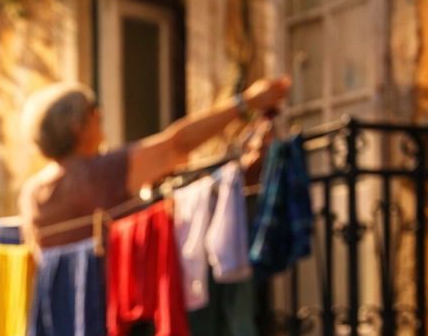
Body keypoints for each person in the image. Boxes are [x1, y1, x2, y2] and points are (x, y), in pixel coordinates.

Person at [19, 77, 292, 251]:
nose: (100, 115)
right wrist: (246, 102)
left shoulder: (31, 191)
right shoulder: (100, 172)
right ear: (79, 128)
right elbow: (176, 145)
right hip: (111, 313)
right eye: (93, 112)